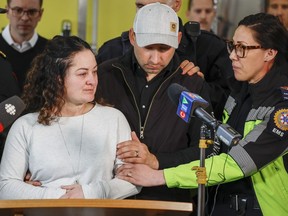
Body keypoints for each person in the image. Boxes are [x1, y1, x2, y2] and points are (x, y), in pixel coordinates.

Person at [117, 13, 288, 216]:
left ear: (269, 53)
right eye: (232, 46)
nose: (232, 55)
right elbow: (215, 148)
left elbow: (236, 164)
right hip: (218, 206)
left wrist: (160, 176)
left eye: (242, 48)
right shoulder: (238, 92)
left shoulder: (282, 107)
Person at [96, 3, 213, 202]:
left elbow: (207, 151)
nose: (155, 58)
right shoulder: (104, 76)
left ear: (178, 40)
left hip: (170, 202)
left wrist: (156, 161)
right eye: (148, 47)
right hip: (109, 199)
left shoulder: (193, 84)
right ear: (133, 37)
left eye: (164, 48)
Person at [0, 35, 141, 199]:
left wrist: (89, 193)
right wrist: (58, 196)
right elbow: (5, 187)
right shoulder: (26, 126)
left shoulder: (114, 119)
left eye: (94, 72)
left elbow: (134, 180)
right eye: (82, 74)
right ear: (57, 79)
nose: (92, 80)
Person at [96, 0, 233, 120]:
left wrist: (201, 90)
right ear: (133, 37)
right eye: (140, 6)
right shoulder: (112, 51)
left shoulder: (209, 48)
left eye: (157, 5)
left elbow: (231, 107)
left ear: (176, 4)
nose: (149, 13)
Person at [0, 0, 48, 92]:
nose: (25, 18)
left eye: (32, 12)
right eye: (18, 10)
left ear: (40, 14)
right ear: (7, 11)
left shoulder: (51, 52)